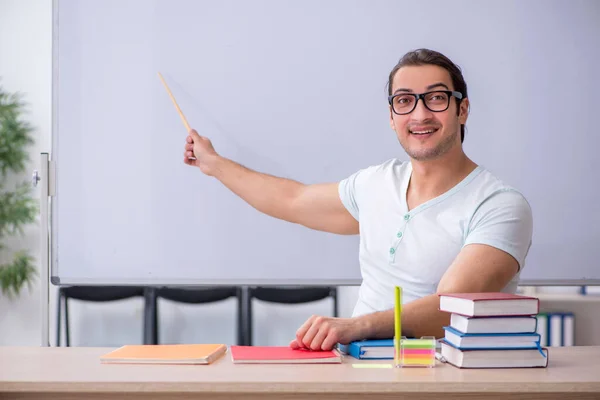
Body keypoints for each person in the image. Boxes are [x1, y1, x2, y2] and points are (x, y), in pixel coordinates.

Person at [182, 48, 533, 351]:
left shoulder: (499, 205)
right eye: (405, 100)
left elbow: (451, 307)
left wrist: (357, 326)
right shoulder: (376, 183)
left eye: (437, 98)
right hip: (361, 371)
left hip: (442, 380)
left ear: (463, 110)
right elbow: (291, 199)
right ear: (392, 118)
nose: (420, 114)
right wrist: (214, 164)